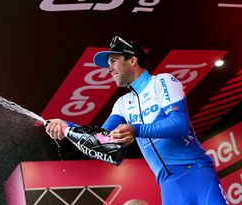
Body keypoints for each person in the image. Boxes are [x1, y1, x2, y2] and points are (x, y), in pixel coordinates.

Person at [45, 36, 229, 205]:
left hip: (196, 172)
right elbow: (103, 141)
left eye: (113, 61)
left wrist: (136, 129)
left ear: (132, 60)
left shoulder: (162, 82)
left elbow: (180, 124)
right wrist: (67, 127)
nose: (109, 69)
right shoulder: (123, 103)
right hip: (167, 184)